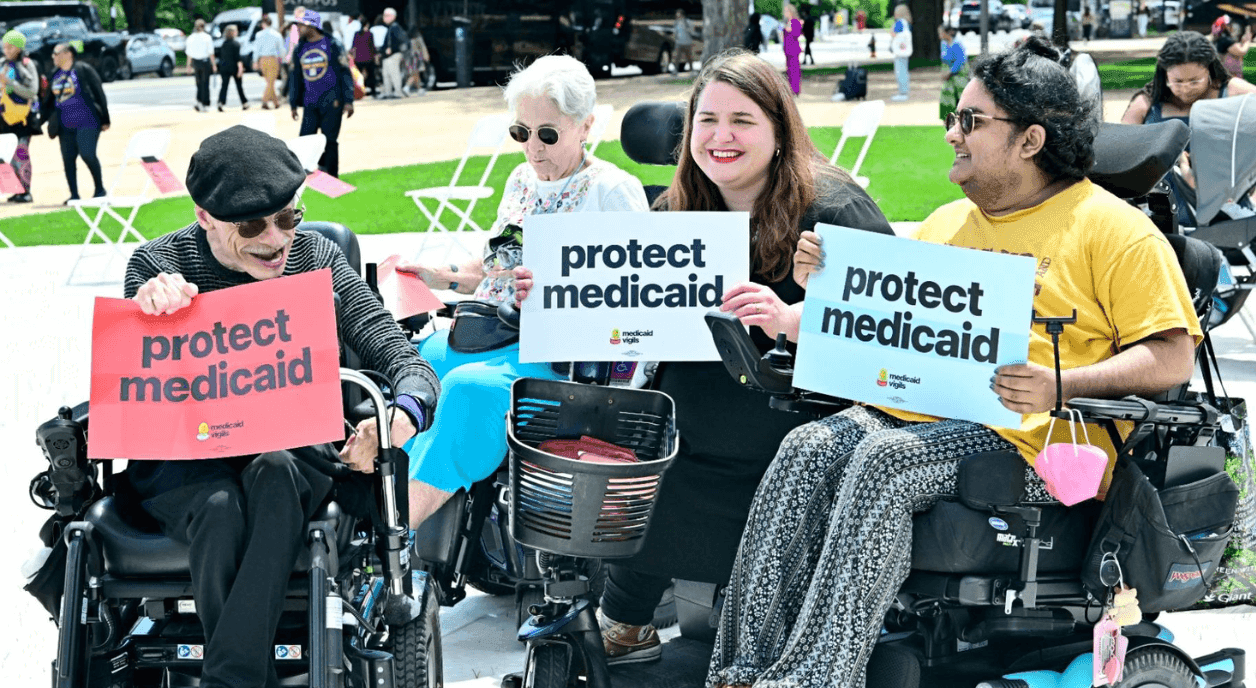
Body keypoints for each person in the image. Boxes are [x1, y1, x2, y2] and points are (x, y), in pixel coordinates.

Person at [707, 37, 1201, 688]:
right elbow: (888, 331)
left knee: (884, 463)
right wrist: (799, 312)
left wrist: (1064, 383)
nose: (950, 133)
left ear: (1030, 139)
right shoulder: (946, 223)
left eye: (969, 121)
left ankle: (815, 678)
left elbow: (1173, 356)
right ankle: (739, 673)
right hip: (925, 416)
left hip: (1030, 443)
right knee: (805, 447)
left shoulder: (1114, 233)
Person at [514, 48, 892, 666]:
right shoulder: (680, 208)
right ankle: (625, 619)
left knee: (682, 435)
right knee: (632, 432)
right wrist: (552, 297)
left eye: (741, 121)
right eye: (706, 121)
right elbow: (617, 307)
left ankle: (700, 631)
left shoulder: (834, 211)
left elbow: (887, 330)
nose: (720, 137)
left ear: (778, 130)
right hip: (694, 406)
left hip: (799, 410)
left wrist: (791, 318)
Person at [121, 124, 438, 688]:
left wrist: (402, 415)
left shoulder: (317, 255)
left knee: (272, 468)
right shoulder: (156, 265)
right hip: (189, 465)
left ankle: (229, 681)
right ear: (205, 217)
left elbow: (398, 353)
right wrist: (148, 311)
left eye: (289, 217)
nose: (278, 238)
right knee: (219, 509)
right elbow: (133, 380)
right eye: (252, 225)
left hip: (289, 455)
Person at [393, 54, 649, 530]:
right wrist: (438, 274)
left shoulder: (613, 191)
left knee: (467, 390)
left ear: (585, 125)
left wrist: (558, 290)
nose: (533, 148)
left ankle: (399, 535)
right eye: (520, 133)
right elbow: (497, 267)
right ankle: (388, 514)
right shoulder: (520, 183)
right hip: (498, 332)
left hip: (564, 357)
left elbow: (639, 300)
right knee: (418, 364)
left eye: (547, 134)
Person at [1121, 31, 1255, 224]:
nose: (1186, 88)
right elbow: (1121, 158)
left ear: (1209, 69)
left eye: (1195, 81)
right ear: (1164, 73)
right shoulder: (1145, 104)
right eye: (1178, 81)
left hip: (1227, 216)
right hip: (1160, 216)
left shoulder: (1234, 92)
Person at [289, 9, 355, 178]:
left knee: (329, 141)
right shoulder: (300, 49)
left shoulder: (332, 44)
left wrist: (348, 100)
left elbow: (345, 72)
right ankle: (307, 176)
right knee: (305, 140)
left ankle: (332, 176)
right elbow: (295, 76)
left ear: (312, 25)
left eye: (301, 24)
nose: (298, 27)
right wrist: (293, 103)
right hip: (310, 102)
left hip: (332, 101)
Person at [41, 43, 108, 204]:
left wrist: (105, 119)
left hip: (88, 121)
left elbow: (98, 92)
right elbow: (49, 101)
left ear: (68, 54)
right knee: (68, 159)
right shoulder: (54, 74)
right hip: (64, 125)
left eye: (56, 53)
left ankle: (100, 189)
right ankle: (74, 195)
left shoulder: (83, 69)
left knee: (87, 154)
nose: (53, 57)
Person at [0, 29, 41, 203]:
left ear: (18, 47)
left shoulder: (27, 64)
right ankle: (14, 189)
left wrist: (11, 83)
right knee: (5, 153)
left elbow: (32, 91)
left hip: (22, 116)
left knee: (20, 153)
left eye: (10, 47)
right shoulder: (3, 63)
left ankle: (26, 191)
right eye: (4, 46)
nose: (6, 50)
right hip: (5, 115)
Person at [253, 16, 285, 110]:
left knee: (269, 82)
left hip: (263, 59)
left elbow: (256, 49)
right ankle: (265, 101)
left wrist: (255, 61)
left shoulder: (259, 34)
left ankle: (275, 103)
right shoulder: (276, 34)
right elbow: (281, 49)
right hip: (273, 59)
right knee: (271, 82)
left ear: (264, 24)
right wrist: (283, 59)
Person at [939, 24, 969, 122]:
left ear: (946, 33)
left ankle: (963, 119)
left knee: (960, 97)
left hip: (959, 75)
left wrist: (951, 71)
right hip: (949, 77)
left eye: (941, 32)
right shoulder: (943, 44)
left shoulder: (957, 44)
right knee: (946, 97)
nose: (939, 35)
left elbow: (960, 60)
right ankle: (948, 120)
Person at [185, 18, 216, 112]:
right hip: (205, 61)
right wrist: (214, 64)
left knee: (198, 83)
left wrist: (188, 66)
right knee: (205, 83)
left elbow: (189, 53)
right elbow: (211, 52)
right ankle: (205, 103)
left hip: (195, 62)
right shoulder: (207, 37)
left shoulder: (190, 37)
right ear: (204, 27)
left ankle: (199, 101)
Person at [217, 25, 249, 112]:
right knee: (239, 86)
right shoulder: (236, 44)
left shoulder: (223, 44)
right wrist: (240, 69)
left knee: (224, 86)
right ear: (233, 33)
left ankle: (220, 102)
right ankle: (244, 102)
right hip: (234, 67)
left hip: (224, 67)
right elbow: (238, 58)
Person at [380, 7, 408, 98]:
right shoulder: (391, 27)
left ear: (393, 16)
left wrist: (392, 49)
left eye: (387, 16)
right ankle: (388, 92)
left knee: (394, 73)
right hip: (389, 55)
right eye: (384, 15)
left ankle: (397, 91)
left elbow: (399, 41)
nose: (384, 17)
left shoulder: (395, 27)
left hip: (394, 54)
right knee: (386, 74)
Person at [350, 13, 378, 98]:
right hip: (368, 58)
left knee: (359, 76)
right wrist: (375, 56)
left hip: (358, 58)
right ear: (367, 25)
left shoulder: (356, 34)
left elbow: (353, 47)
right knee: (371, 75)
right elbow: (372, 47)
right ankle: (372, 91)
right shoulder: (369, 34)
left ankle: (359, 91)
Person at [891, 3, 913, 101]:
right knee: (904, 71)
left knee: (900, 72)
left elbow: (893, 34)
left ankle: (902, 93)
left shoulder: (899, 23)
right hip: (905, 51)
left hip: (899, 52)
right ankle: (904, 91)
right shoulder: (907, 23)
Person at [783, 4, 803, 95]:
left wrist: (788, 30)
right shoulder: (788, 22)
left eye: (786, 11)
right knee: (789, 70)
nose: (785, 13)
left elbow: (796, 33)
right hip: (788, 49)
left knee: (794, 69)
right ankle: (791, 88)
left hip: (793, 49)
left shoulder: (795, 21)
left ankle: (795, 89)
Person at [674, 9, 696, 73]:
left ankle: (692, 69)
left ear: (682, 15)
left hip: (687, 42)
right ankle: (675, 70)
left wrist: (687, 29)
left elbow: (692, 31)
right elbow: (676, 32)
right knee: (677, 57)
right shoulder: (676, 23)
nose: (678, 16)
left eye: (679, 15)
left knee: (689, 57)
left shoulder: (688, 22)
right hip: (679, 42)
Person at [802, 1, 818, 65]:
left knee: (807, 48)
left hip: (808, 36)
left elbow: (805, 28)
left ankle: (808, 60)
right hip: (810, 36)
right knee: (807, 48)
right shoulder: (811, 19)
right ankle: (809, 60)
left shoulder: (807, 19)